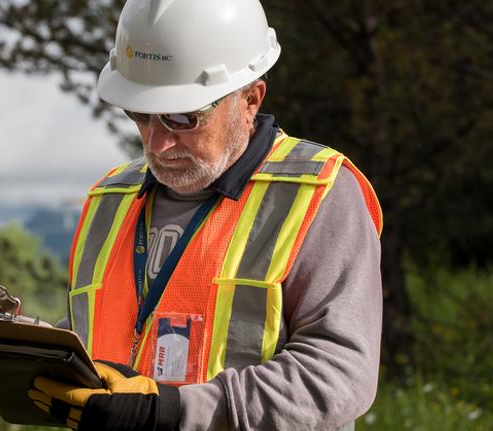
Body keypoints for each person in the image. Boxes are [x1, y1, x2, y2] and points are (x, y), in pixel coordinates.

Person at [27, 0, 384, 430]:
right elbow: (100, 331)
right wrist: (25, 352)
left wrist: (174, 412)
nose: (156, 144)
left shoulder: (318, 194)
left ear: (250, 99)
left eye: (183, 117)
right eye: (140, 115)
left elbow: (338, 375)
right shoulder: (110, 198)